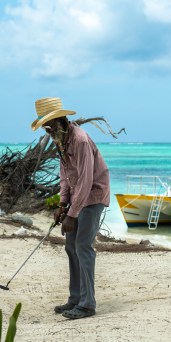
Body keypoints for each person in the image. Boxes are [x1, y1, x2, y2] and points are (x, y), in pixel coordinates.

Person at [31, 97, 110, 319]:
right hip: (77, 197)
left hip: (93, 196)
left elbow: (85, 182)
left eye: (49, 125)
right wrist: (63, 204)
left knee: (83, 246)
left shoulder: (80, 141)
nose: (47, 130)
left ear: (60, 119)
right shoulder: (60, 138)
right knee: (70, 247)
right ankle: (75, 298)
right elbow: (66, 176)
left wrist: (72, 215)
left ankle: (87, 305)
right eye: (44, 127)